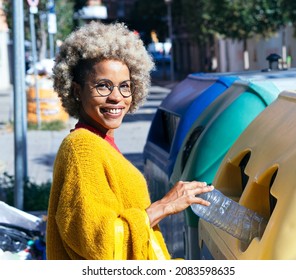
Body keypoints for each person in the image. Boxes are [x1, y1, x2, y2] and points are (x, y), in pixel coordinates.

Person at [46, 21, 212, 260]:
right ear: (76, 90)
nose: (116, 97)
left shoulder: (99, 143)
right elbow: (97, 242)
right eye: (102, 86)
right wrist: (164, 206)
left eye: (125, 86)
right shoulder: (81, 148)